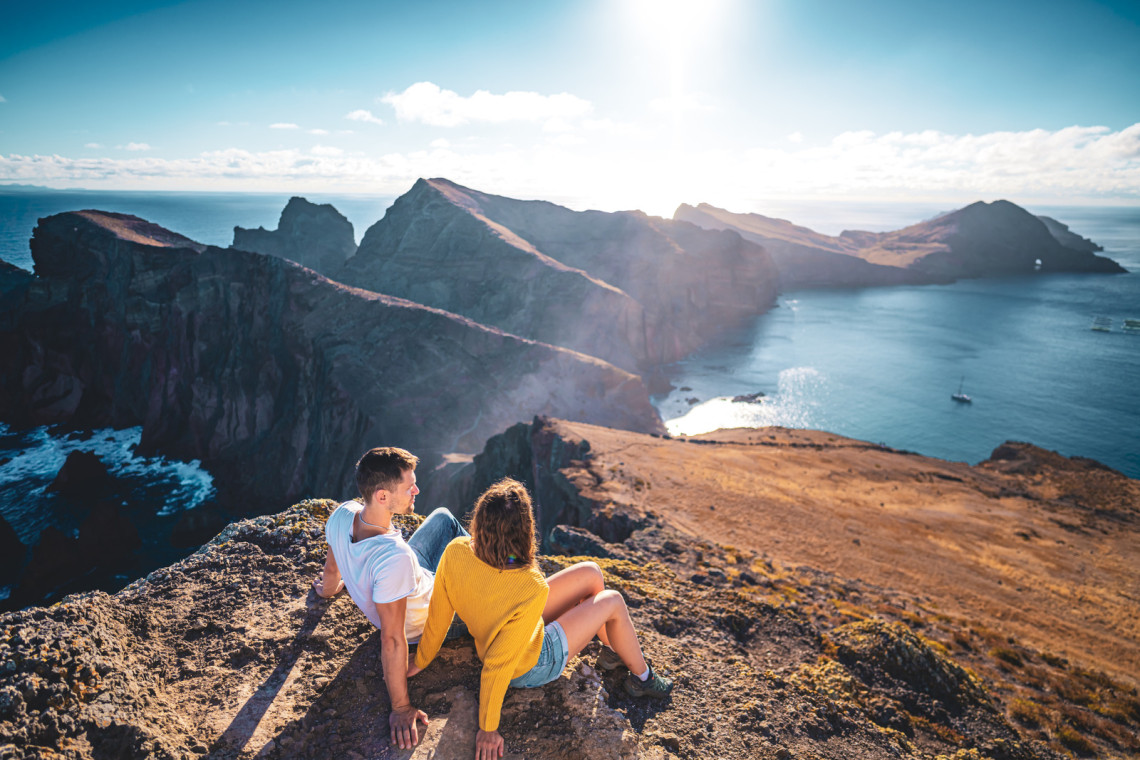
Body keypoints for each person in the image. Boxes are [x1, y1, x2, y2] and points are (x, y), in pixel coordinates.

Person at [408, 478, 671, 760]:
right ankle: (643, 679)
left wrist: (421, 659)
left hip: (509, 624)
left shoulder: (455, 550)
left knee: (592, 572)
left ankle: (611, 653)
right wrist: (488, 728)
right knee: (613, 601)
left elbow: (439, 615)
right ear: (524, 529)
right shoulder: (529, 584)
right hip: (530, 664)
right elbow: (497, 664)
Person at [312, 446, 468, 750]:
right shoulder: (393, 558)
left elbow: (332, 566)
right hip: (431, 618)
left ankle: (486, 561)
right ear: (382, 496)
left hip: (413, 579)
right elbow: (393, 639)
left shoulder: (343, 514)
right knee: (493, 589)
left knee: (445, 518)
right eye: (409, 487)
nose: (417, 490)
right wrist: (400, 707)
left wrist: (329, 589)